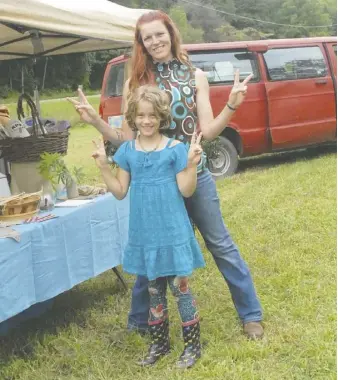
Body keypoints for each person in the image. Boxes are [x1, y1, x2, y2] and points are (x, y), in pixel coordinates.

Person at [68, 10, 263, 339]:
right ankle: (140, 321)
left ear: (171, 34)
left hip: (194, 174)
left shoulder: (195, 75)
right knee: (152, 246)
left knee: (220, 244)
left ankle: (250, 315)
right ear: (141, 43)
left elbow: (210, 131)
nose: (155, 41)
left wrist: (231, 105)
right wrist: (95, 121)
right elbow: (126, 139)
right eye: (148, 38)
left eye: (160, 34)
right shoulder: (137, 82)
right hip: (154, 182)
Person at [92, 85, 205, 368]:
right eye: (141, 115)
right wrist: (105, 166)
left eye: (152, 115)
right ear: (132, 116)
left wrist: (191, 165)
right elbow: (119, 191)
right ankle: (160, 344)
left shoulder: (175, 149)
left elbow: (187, 190)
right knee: (154, 291)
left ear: (161, 116)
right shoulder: (128, 151)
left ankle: (193, 346)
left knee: (181, 288)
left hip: (173, 231)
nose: (146, 121)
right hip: (146, 234)